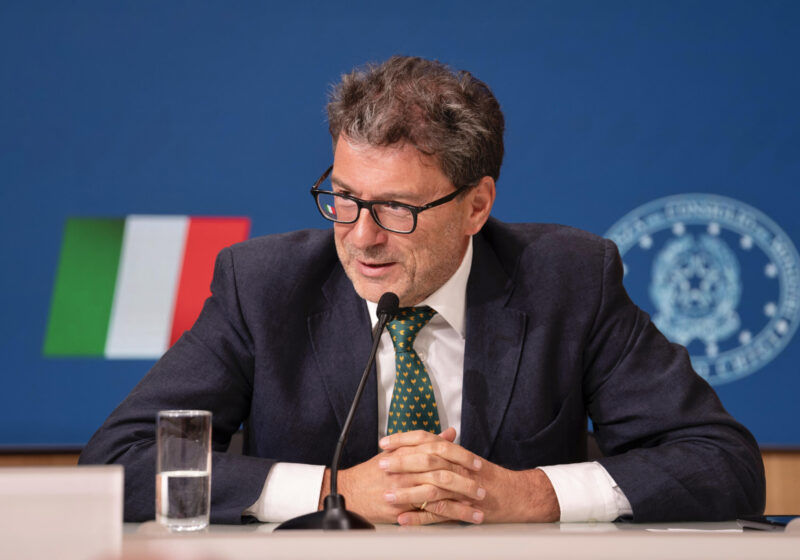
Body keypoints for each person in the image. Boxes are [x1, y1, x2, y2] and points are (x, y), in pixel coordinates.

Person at [80, 56, 765, 525]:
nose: (361, 237)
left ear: (476, 206)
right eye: (344, 198)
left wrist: (528, 495)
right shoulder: (264, 287)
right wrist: (335, 491)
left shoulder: (569, 280)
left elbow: (723, 464)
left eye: (396, 210)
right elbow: (117, 464)